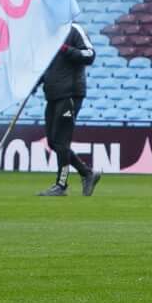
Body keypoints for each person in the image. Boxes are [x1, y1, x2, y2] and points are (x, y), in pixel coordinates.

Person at [37, 24, 98, 197]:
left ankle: (61, 185)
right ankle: (87, 173)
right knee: (52, 142)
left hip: (70, 93)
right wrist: (36, 81)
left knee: (61, 141)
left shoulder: (74, 30)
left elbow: (90, 55)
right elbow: (49, 66)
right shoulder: (48, 32)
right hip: (53, 94)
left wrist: (65, 48)